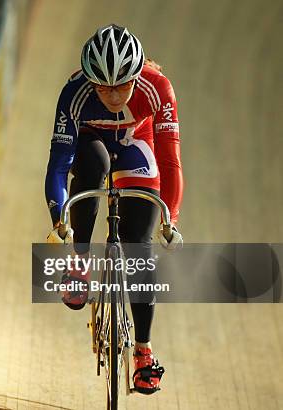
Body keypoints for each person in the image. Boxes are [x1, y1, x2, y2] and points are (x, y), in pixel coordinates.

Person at [44, 24, 184, 395]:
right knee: (92, 165)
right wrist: (59, 220)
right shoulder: (74, 93)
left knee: (139, 249)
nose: (113, 95)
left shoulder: (158, 88)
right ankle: (79, 263)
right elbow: (59, 164)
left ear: (137, 77)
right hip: (91, 143)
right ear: (90, 80)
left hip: (136, 140)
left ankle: (143, 351)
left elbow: (170, 162)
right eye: (103, 87)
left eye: (122, 85)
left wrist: (171, 218)